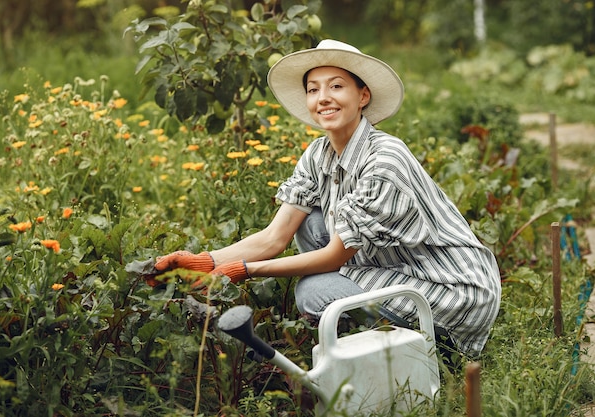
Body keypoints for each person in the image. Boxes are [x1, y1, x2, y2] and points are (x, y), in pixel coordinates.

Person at [153, 39, 501, 361]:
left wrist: (241, 271)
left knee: (314, 292)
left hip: (451, 289)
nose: (323, 98)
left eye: (336, 86)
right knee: (312, 221)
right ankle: (373, 331)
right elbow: (275, 237)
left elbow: (336, 255)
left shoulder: (385, 159)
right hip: (394, 268)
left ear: (362, 96)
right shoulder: (319, 153)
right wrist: (202, 262)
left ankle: (433, 350)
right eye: (313, 89)